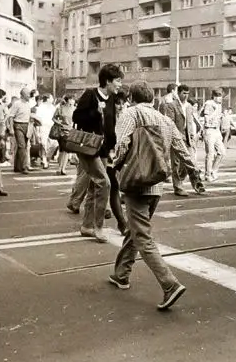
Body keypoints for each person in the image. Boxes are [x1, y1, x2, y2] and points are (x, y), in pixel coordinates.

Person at [109, 81, 204, 310]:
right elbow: (181, 149)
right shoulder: (165, 119)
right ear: (152, 99)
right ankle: (121, 274)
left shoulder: (130, 114)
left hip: (136, 184)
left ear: (132, 97)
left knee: (142, 236)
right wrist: (195, 173)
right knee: (136, 229)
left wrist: (115, 166)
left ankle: (169, 284)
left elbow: (122, 144)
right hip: (157, 186)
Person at [71, 64, 123, 242]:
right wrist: (95, 112)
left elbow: (111, 126)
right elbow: (76, 117)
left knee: (94, 187)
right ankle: (98, 227)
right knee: (104, 183)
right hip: (88, 148)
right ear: (107, 81)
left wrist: (111, 148)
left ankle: (87, 226)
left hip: (102, 149)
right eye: (117, 81)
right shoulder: (90, 95)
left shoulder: (111, 99)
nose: (120, 84)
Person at [159, 84, 201, 197]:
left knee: (189, 162)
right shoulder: (171, 106)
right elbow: (170, 123)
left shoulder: (189, 107)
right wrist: (175, 137)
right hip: (176, 137)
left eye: (187, 93)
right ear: (178, 93)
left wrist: (192, 135)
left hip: (187, 138)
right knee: (176, 164)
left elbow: (190, 122)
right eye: (183, 93)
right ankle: (177, 187)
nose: (186, 96)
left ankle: (181, 181)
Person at [105, 90, 130, 235]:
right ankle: (122, 222)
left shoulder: (127, 117)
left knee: (113, 187)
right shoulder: (108, 117)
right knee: (113, 186)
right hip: (109, 156)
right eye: (117, 103)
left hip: (122, 157)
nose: (120, 106)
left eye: (123, 103)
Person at [201, 88, 226, 181]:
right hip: (209, 130)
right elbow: (207, 118)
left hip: (216, 131)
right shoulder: (209, 104)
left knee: (222, 152)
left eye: (221, 96)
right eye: (218, 96)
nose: (220, 98)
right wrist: (216, 114)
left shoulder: (218, 105)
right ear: (214, 96)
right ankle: (207, 174)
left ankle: (213, 170)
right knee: (210, 154)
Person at [8, 88, 33, 174]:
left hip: (26, 125)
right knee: (22, 146)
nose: (29, 96)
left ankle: (17, 167)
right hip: (18, 125)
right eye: (27, 94)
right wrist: (11, 128)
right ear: (22, 95)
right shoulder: (17, 104)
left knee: (23, 146)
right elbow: (11, 116)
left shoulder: (28, 104)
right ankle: (24, 166)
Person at [53, 94, 76, 175]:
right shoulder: (60, 108)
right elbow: (54, 118)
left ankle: (62, 168)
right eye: (72, 99)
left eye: (73, 99)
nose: (73, 101)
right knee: (62, 150)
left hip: (70, 131)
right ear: (68, 100)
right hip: (61, 131)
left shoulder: (74, 109)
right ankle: (60, 168)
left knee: (66, 150)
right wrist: (59, 122)